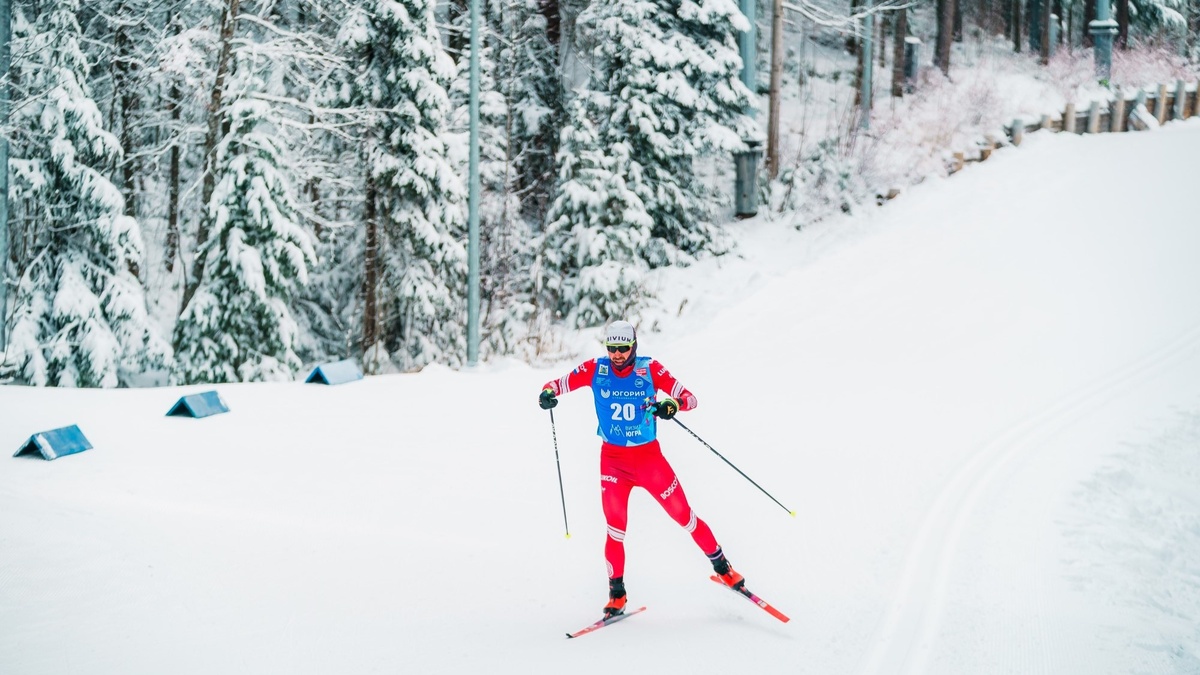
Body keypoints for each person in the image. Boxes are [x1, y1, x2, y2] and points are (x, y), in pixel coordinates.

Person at [538, 319, 745, 619]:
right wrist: (547, 394)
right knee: (615, 529)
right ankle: (617, 595)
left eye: (623, 348)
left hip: (649, 460)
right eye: (612, 349)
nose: (618, 355)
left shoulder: (649, 370)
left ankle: (723, 568)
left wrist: (670, 406)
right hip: (613, 461)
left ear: (634, 346)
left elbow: (690, 399)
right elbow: (556, 385)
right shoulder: (597, 369)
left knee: (684, 516)